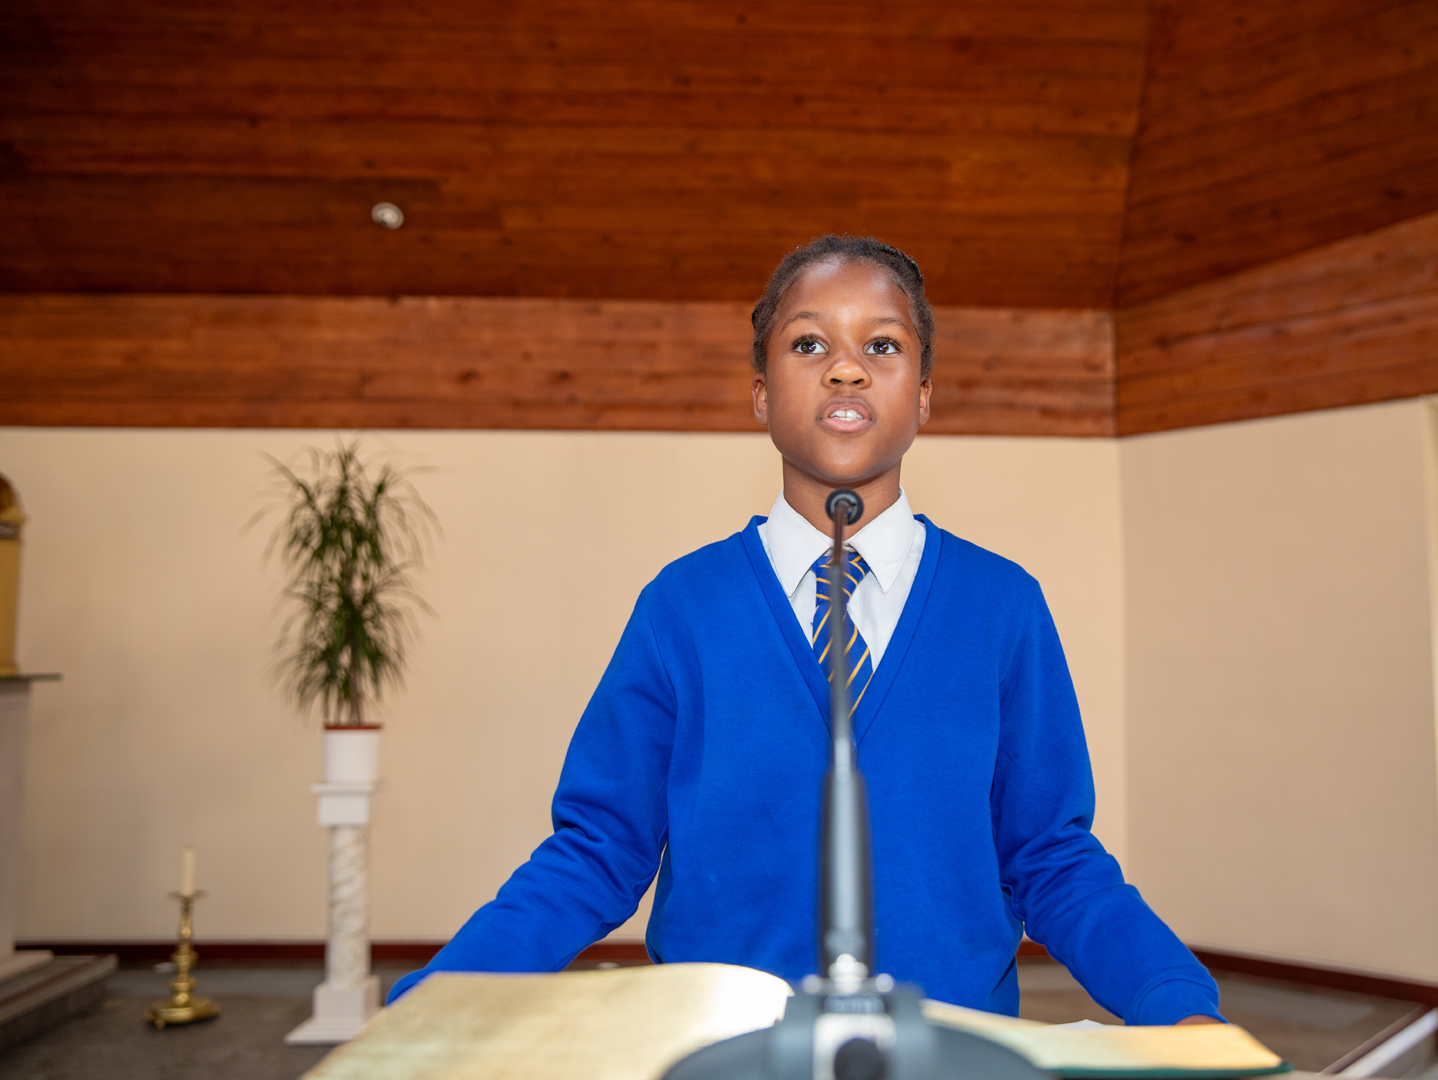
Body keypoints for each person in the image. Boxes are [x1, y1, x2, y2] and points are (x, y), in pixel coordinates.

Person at [387, 236, 1221, 1024]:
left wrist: (1176, 1002)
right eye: (810, 344)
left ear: (924, 395)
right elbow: (598, 848)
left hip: (949, 1051)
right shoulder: (682, 607)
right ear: (760, 393)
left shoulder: (1003, 606)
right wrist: (439, 1003)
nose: (847, 368)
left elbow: (1052, 857)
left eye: (883, 346)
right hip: (723, 1053)